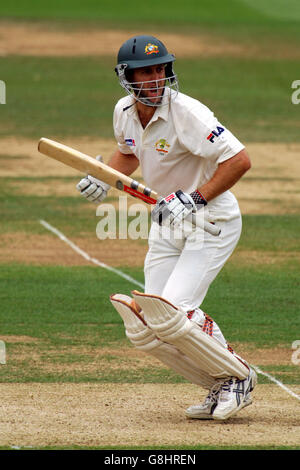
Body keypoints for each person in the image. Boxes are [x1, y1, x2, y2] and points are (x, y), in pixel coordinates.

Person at [76, 35, 257, 421]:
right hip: (167, 224)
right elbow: (128, 153)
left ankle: (239, 377)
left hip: (211, 222)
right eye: (146, 72)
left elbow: (239, 160)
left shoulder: (188, 113)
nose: (156, 79)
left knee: (176, 313)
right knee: (148, 327)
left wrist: (196, 198)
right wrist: (105, 178)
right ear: (127, 77)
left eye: (161, 69)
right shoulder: (124, 111)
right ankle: (219, 383)